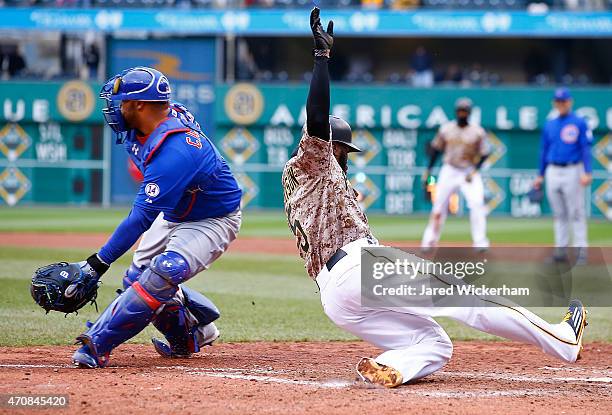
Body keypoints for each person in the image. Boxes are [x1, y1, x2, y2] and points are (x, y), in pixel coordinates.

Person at [282, 8, 588, 388]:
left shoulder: (300, 182)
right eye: (344, 149)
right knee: (468, 300)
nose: (345, 157)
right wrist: (322, 60)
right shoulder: (315, 160)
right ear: (333, 147)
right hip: (358, 267)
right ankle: (561, 340)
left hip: (335, 299)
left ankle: (390, 365)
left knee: (435, 343)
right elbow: (317, 117)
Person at [70, 67, 242, 368]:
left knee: (165, 269)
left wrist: (96, 264)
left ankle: (98, 343)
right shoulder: (144, 126)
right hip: (176, 209)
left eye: (120, 101)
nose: (113, 108)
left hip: (212, 218)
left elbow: (140, 219)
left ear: (139, 105)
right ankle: (190, 334)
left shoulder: (176, 151)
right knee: (138, 278)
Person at [421, 98, 490, 251]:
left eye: (464, 111)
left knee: (477, 204)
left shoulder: (477, 131)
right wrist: (428, 171)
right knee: (439, 207)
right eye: (460, 110)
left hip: (468, 170)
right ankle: (429, 241)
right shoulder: (446, 129)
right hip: (449, 169)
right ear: (456, 112)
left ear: (469, 113)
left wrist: (474, 170)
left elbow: (485, 153)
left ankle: (480, 242)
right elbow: (436, 151)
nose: (462, 113)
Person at [533, 88, 593, 264]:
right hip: (552, 170)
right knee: (559, 214)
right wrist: (540, 174)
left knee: (576, 212)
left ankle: (581, 251)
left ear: (570, 102)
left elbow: (585, 148)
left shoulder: (579, 122)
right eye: (558, 101)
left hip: (573, 169)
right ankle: (561, 251)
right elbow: (543, 150)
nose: (561, 104)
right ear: (554, 103)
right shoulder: (550, 124)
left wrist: (587, 171)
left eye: (563, 101)